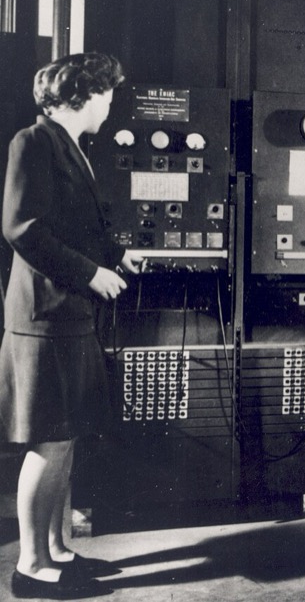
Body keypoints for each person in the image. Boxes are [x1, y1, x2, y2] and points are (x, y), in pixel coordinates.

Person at [0, 52, 144, 598]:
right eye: (107, 96)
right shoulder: (33, 142)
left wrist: (116, 255)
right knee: (50, 443)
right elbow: (22, 227)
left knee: (66, 439)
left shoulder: (71, 147)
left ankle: (56, 549)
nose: (110, 106)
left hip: (69, 315)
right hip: (46, 317)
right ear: (82, 96)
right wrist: (91, 273)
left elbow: (73, 224)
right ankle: (30, 567)